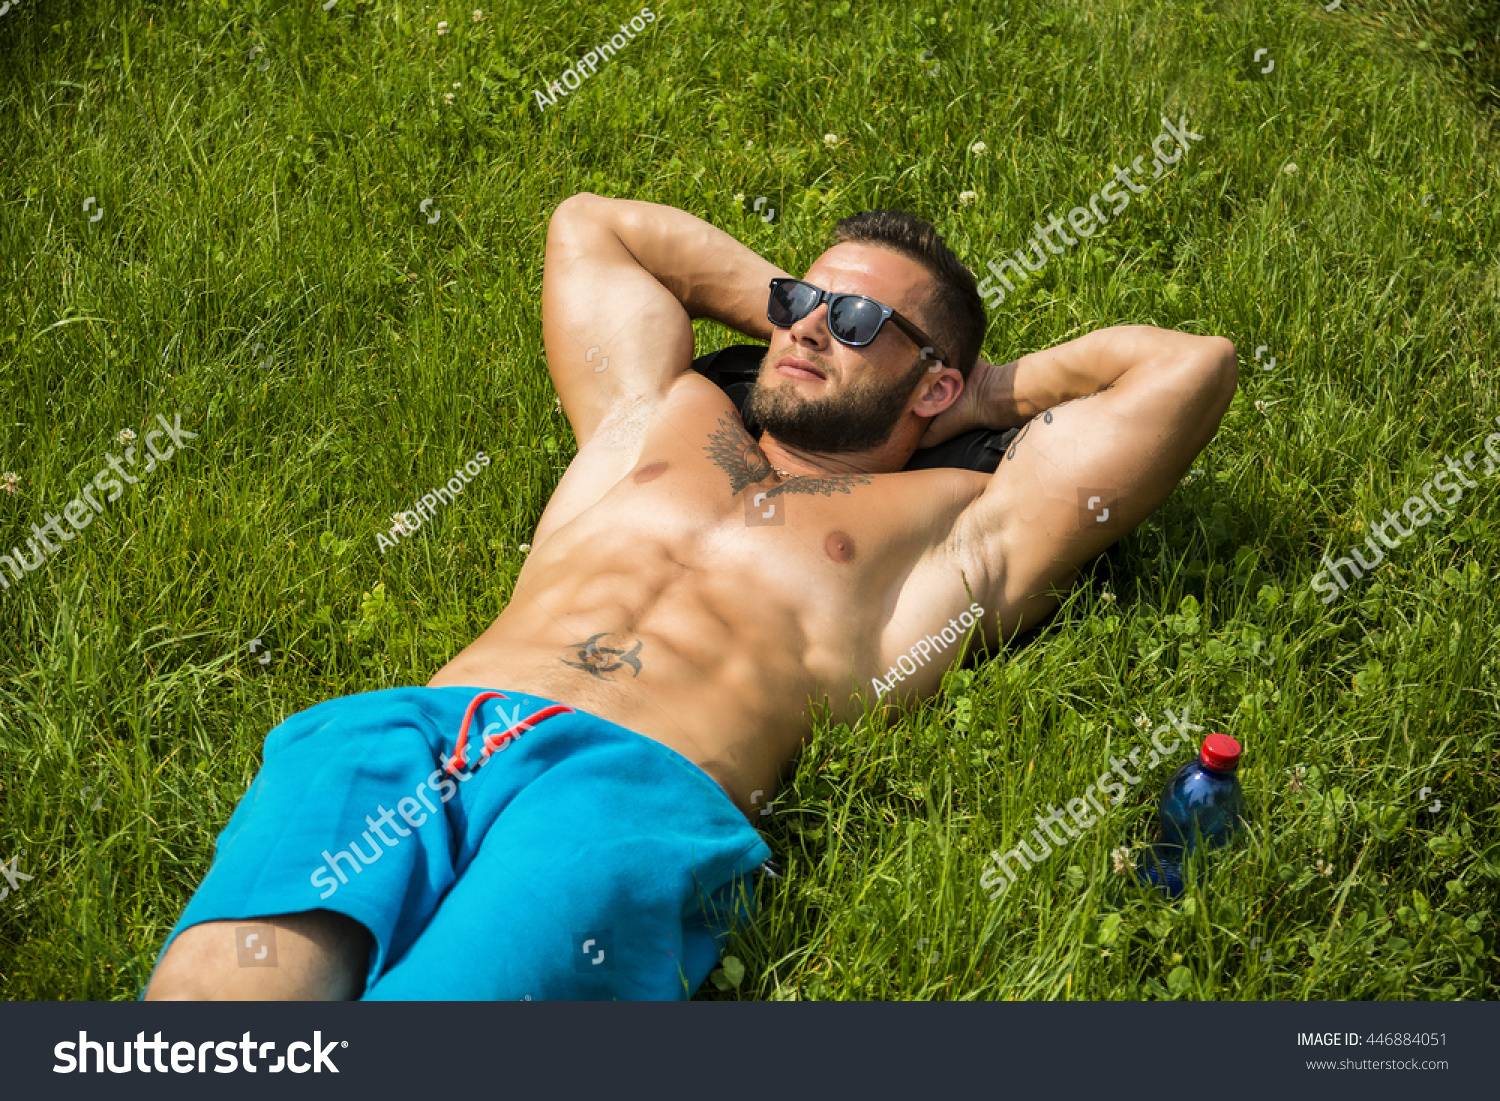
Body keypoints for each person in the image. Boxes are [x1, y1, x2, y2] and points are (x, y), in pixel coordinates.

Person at [145, 196, 1237, 1000]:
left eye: (854, 322)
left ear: (936, 383)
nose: (807, 327)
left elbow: (1190, 368)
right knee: (211, 1002)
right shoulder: (655, 419)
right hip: (420, 733)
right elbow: (592, 228)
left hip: (631, 798)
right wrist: (811, 311)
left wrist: (989, 390)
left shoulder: (953, 524)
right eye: (802, 304)